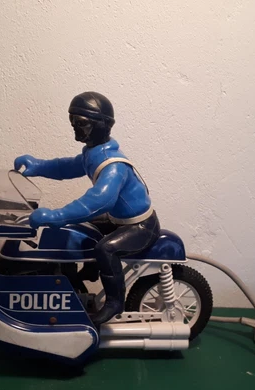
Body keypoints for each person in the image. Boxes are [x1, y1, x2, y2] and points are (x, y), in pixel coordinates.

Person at [15, 92, 160, 326]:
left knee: (106, 249)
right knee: (82, 228)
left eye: (82, 122)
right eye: (72, 120)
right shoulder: (93, 153)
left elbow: (97, 202)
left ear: (102, 124)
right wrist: (39, 165)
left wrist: (56, 215)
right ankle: (89, 270)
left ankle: (115, 302)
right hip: (119, 218)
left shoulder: (113, 165)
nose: (75, 127)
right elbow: (66, 167)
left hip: (140, 226)